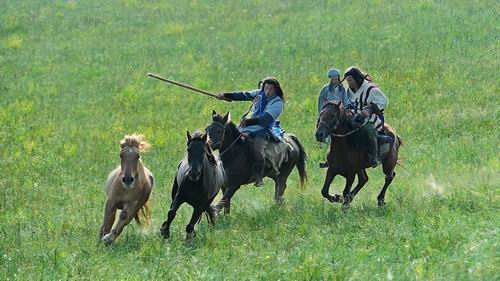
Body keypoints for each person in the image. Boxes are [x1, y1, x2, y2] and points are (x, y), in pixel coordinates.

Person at [217, 77, 285, 187]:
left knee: (258, 150)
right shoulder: (259, 93)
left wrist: (248, 122)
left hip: (263, 130)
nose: (267, 91)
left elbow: (266, 119)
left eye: (271, 89)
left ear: (276, 90)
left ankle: (258, 176)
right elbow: (243, 95)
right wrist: (226, 95)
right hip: (247, 127)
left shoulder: (278, 103)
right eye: (266, 88)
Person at [344, 66, 389, 167]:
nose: (349, 83)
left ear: (356, 78)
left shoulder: (371, 89)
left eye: (350, 80)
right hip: (353, 116)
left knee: (368, 130)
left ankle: (373, 156)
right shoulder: (348, 91)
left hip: (370, 118)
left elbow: (384, 101)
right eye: (347, 81)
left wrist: (370, 109)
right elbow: (347, 103)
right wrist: (347, 111)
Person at [318, 68, 351, 168]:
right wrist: (321, 113)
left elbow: (345, 101)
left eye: (336, 78)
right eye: (333, 78)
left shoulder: (342, 89)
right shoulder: (325, 89)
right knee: (322, 130)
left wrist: (347, 109)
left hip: (339, 112)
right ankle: (327, 155)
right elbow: (320, 102)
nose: (335, 79)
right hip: (328, 112)